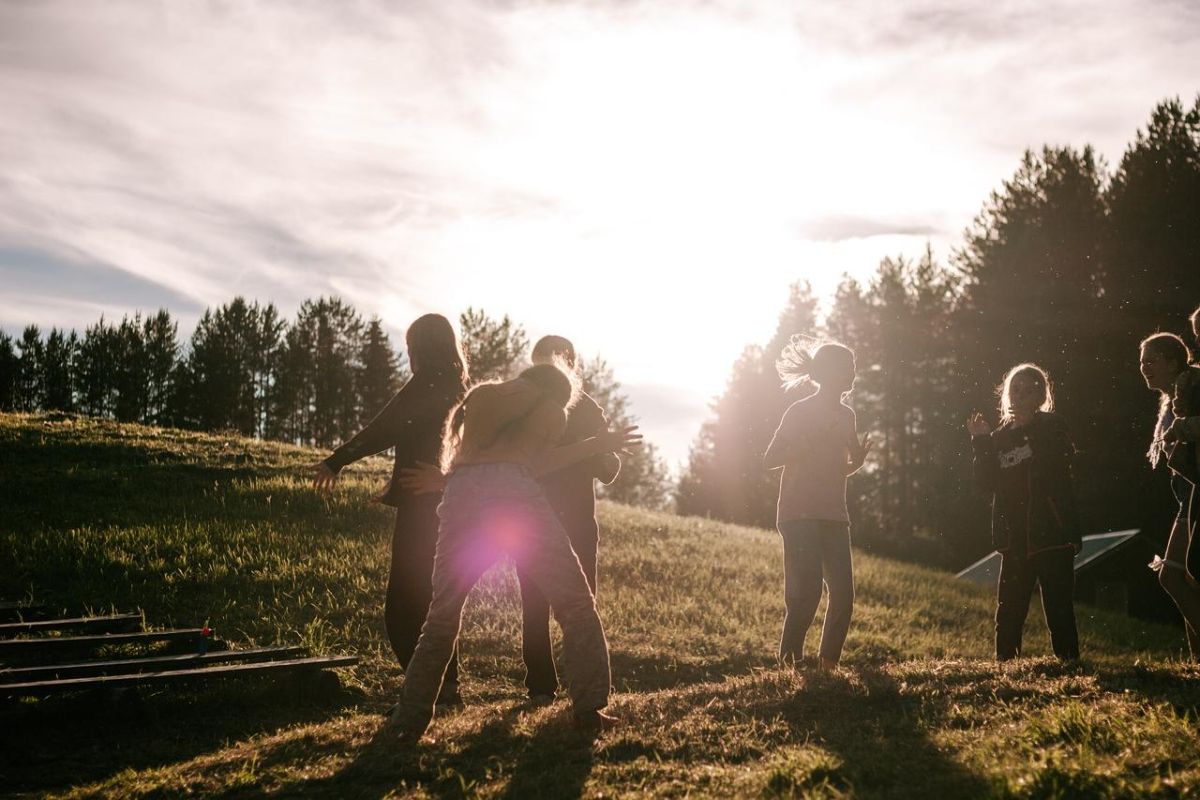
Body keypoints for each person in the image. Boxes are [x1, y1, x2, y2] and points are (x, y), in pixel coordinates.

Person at [389, 362, 641, 740]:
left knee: (442, 615)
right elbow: (538, 464)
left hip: (460, 494)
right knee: (575, 602)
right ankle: (590, 708)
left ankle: (408, 720)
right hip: (514, 494)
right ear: (557, 392)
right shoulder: (552, 410)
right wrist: (598, 445)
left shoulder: (481, 395)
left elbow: (465, 461)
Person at [311, 313, 468, 704]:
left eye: (412, 346)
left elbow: (387, 427)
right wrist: (415, 483)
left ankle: (431, 689)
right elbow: (429, 441)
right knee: (432, 603)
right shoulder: (458, 387)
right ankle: (444, 688)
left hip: (425, 508)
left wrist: (337, 460)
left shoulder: (428, 384)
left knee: (402, 610)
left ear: (424, 347)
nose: (409, 353)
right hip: (446, 505)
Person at [518, 336, 621, 703]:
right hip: (567, 518)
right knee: (580, 607)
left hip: (535, 517)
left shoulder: (524, 404)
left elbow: (606, 466)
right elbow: (608, 469)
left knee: (536, 605)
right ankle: (582, 685)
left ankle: (541, 688)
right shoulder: (589, 410)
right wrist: (596, 452)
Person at [763, 338, 870, 671]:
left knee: (843, 594)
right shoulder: (800, 411)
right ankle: (789, 664)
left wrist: (859, 461)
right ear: (831, 373)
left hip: (834, 514)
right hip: (798, 514)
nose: (854, 372)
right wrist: (806, 445)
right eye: (848, 367)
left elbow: (844, 465)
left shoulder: (848, 416)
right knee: (806, 594)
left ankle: (827, 667)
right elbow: (771, 458)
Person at [967, 363, 1081, 662]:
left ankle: (1068, 663)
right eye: (1014, 389)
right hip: (1013, 537)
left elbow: (1058, 465)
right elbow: (985, 482)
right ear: (1006, 395)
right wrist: (980, 442)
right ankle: (1006, 665)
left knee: (1058, 606)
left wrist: (1029, 429)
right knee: (1009, 609)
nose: (1020, 394)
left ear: (1041, 395)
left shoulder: (1052, 426)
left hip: (1052, 532)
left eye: (1028, 389)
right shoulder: (999, 437)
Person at [1142, 332, 1200, 657]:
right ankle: (1196, 663)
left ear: (1173, 361)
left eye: (1152, 361)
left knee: (1173, 576)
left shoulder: (1191, 388)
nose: (1145, 368)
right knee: (1185, 580)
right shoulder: (1170, 398)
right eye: (1142, 363)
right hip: (1185, 499)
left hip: (1195, 495)